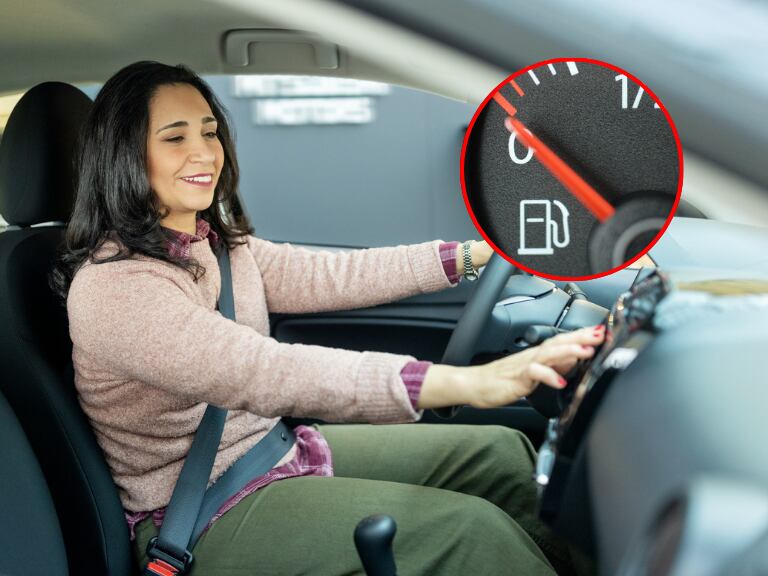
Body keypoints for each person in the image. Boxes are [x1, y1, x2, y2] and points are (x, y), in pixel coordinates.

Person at [51, 61, 604, 576]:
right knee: (468, 532)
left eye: (209, 131)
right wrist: (465, 382)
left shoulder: (211, 244)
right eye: (174, 137)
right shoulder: (114, 289)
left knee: (499, 456)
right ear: (124, 155)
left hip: (270, 450)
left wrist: (473, 255)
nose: (204, 153)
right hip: (195, 512)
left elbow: (330, 274)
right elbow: (263, 370)